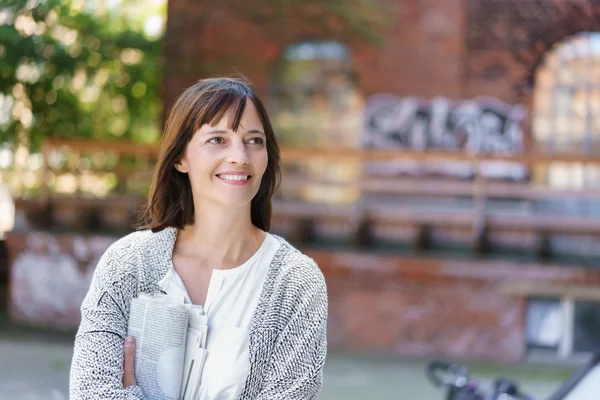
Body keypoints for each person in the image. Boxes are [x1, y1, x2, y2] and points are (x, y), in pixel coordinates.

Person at [69, 76, 328, 399]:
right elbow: (90, 390)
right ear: (180, 158)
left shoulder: (297, 283)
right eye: (217, 139)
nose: (240, 156)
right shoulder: (127, 264)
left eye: (254, 140)